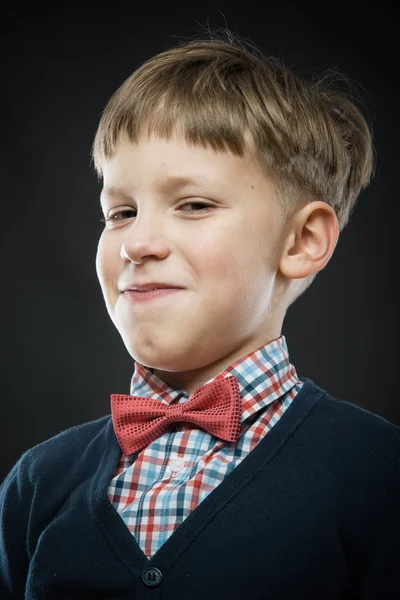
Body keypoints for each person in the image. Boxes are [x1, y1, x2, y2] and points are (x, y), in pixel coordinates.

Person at [1, 31, 399, 599]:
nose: (137, 242)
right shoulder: (38, 482)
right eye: (120, 211)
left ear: (303, 239)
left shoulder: (378, 473)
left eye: (193, 205)